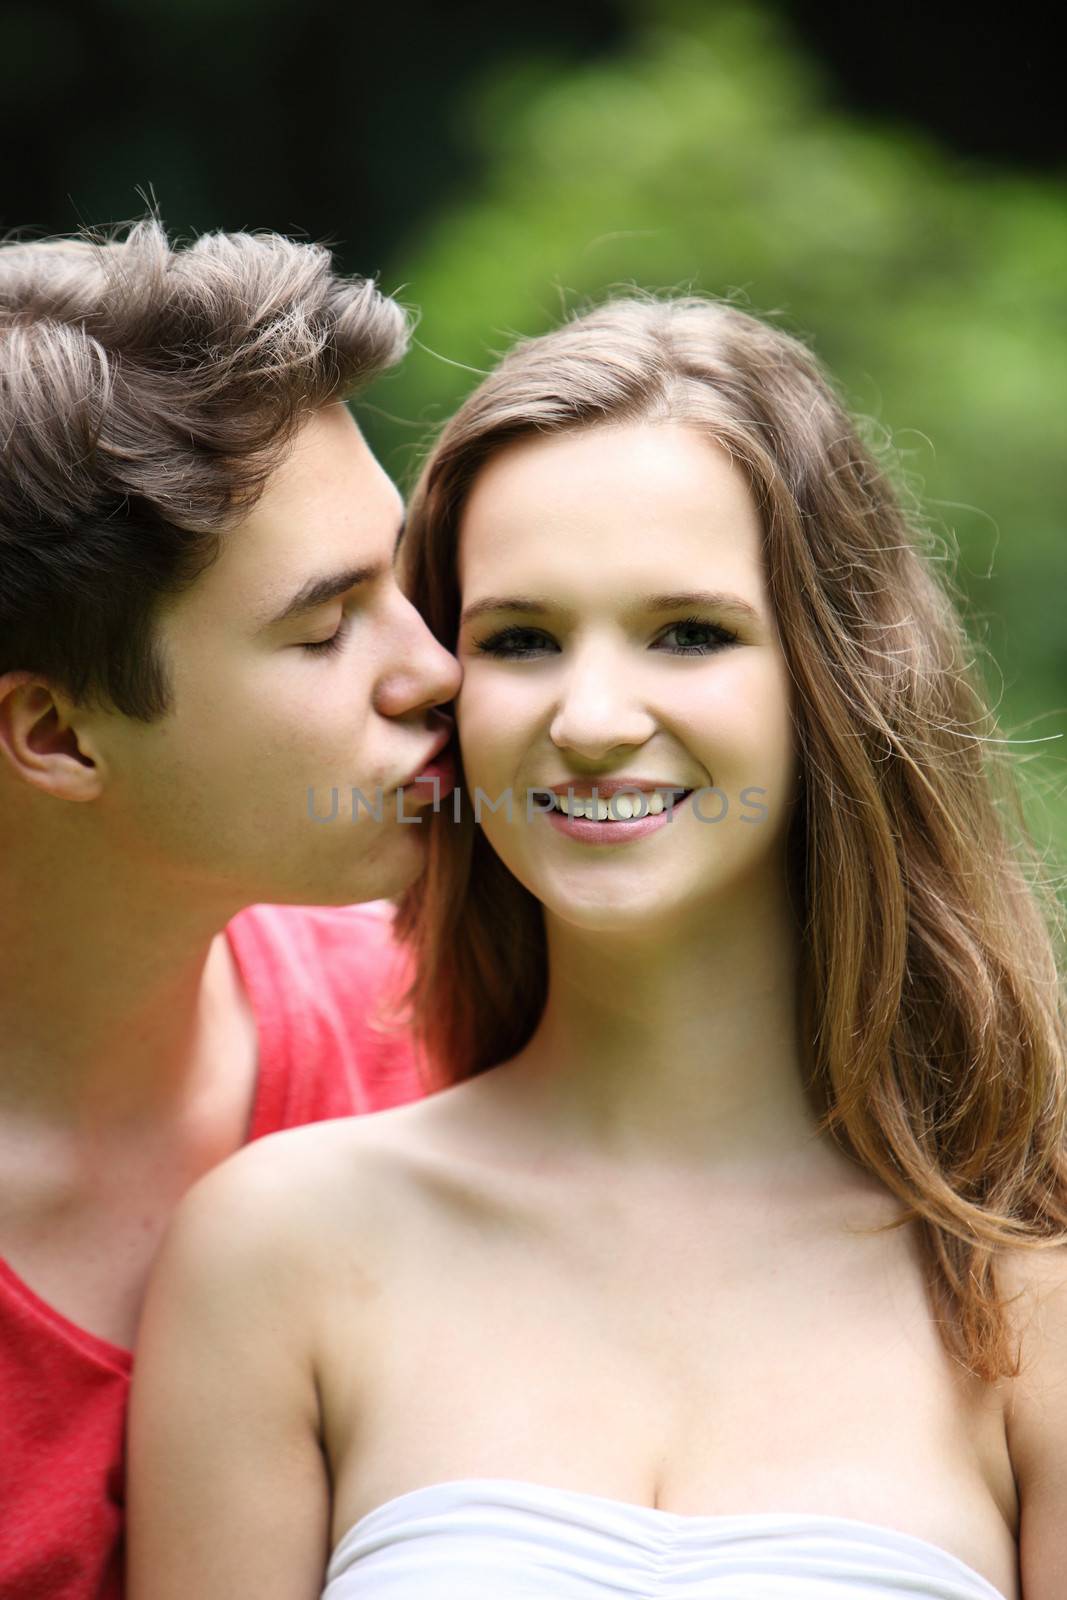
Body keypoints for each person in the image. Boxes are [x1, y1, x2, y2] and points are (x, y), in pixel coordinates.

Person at [127, 295, 1067, 1600]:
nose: (594, 718)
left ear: (839, 679)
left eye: (690, 632)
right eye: (521, 639)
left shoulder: (1031, 1296)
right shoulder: (280, 1250)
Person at [0, 219, 461, 1600]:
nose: (437, 670)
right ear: (54, 734)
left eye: (410, 586)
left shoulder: (461, 1032)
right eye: (327, 631)